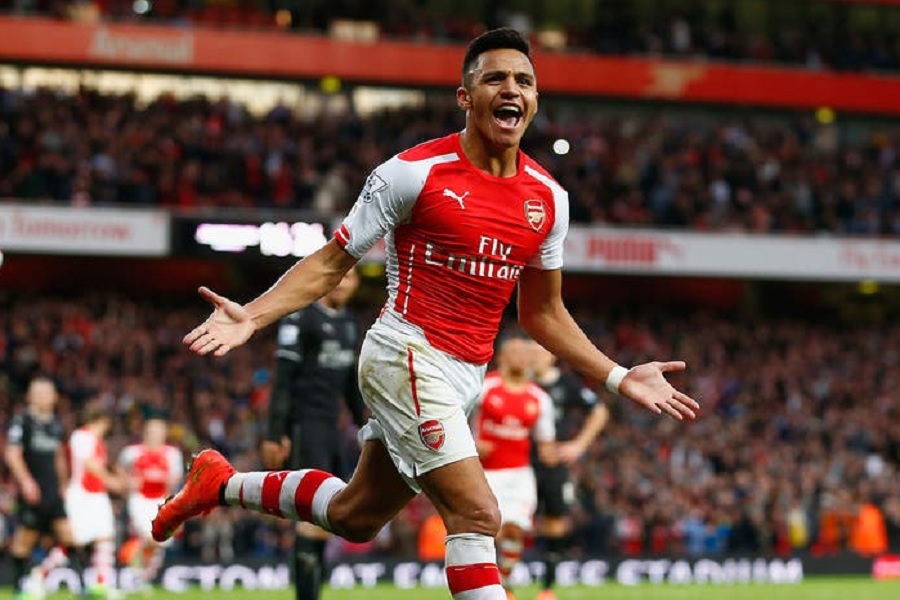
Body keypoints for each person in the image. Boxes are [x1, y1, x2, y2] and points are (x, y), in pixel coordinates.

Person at [153, 27, 699, 600]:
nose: (511, 89)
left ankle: (219, 484)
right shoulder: (413, 172)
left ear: (535, 100)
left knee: (355, 516)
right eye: (494, 78)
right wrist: (253, 315)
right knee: (478, 514)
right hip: (405, 353)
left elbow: (543, 313)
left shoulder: (548, 200)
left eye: (524, 81)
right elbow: (333, 262)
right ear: (465, 96)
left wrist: (618, 376)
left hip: (465, 375)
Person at [261, 267, 365, 600]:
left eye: (350, 277)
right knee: (311, 516)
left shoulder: (348, 324)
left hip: (331, 430)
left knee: (327, 516)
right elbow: (283, 380)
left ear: (356, 284)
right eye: (339, 276)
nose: (343, 283)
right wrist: (275, 433)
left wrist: (367, 428)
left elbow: (350, 386)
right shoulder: (301, 318)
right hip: (304, 427)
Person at [473, 335, 556, 600]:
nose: (522, 357)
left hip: (520, 473)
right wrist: (472, 442)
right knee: (489, 531)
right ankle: (485, 585)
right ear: (502, 357)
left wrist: (566, 451)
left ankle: (505, 584)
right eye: (515, 352)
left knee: (514, 530)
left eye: (524, 353)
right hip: (485, 472)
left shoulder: (539, 398)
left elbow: (546, 441)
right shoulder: (485, 387)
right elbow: (456, 415)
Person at [529, 341, 609, 600]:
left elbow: (599, 411)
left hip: (554, 465)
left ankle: (547, 587)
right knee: (510, 522)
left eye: (539, 352)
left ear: (551, 356)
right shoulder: (521, 383)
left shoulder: (566, 384)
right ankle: (504, 584)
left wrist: (579, 445)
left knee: (555, 522)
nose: (534, 358)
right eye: (531, 353)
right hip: (520, 463)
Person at [4, 375, 87, 600]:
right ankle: (18, 588)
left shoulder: (55, 424)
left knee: (69, 536)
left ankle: (82, 588)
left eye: (46, 393)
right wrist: (26, 482)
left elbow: (59, 456)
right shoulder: (22, 422)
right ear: (30, 396)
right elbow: (12, 454)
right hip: (33, 491)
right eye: (38, 393)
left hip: (53, 491)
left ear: (54, 397)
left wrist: (63, 483)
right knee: (24, 542)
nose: (42, 397)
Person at [117, 414, 183, 591]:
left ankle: (144, 578)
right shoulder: (132, 452)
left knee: (158, 542)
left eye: (159, 431)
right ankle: (134, 573)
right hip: (139, 499)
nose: (155, 435)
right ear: (145, 433)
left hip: (160, 500)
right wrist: (128, 481)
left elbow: (176, 477)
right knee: (147, 537)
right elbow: (119, 469)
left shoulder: (172, 453)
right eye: (152, 431)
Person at [66, 404, 126, 598]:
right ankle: (38, 577)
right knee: (73, 541)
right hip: (81, 496)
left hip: (97, 495)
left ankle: (102, 584)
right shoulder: (81, 436)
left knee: (105, 537)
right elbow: (90, 464)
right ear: (103, 421)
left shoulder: (95, 439)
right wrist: (111, 481)